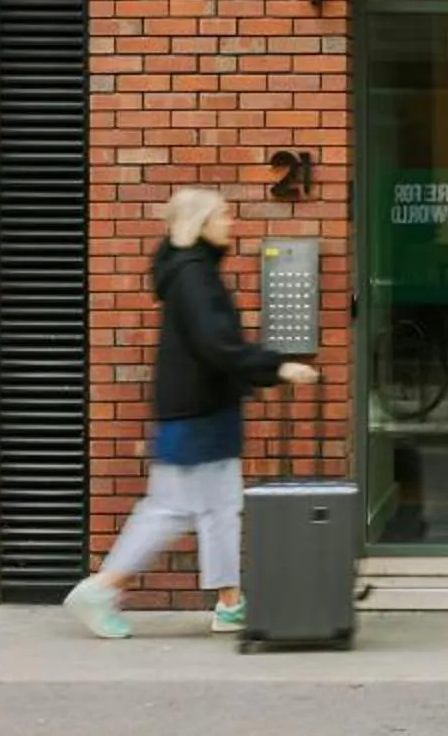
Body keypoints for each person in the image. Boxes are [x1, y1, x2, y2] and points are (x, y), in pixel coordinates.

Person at [64, 187, 319, 638]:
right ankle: (102, 587)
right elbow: (216, 343)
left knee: (220, 507)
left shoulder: (191, 272)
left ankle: (229, 602)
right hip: (195, 413)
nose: (231, 222)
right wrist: (276, 366)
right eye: (223, 214)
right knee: (169, 510)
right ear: (201, 224)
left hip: (203, 409)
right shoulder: (194, 276)